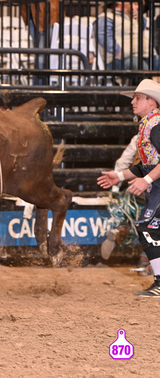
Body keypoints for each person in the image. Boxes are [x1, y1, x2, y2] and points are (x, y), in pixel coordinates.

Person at [97, 78, 160, 296]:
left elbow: (150, 169)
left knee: (148, 227)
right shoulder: (149, 125)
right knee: (148, 227)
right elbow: (147, 165)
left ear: (151, 102)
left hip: (158, 186)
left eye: (137, 98)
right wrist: (119, 176)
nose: (132, 102)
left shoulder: (156, 125)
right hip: (157, 187)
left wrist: (147, 180)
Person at [95, 1, 149, 71]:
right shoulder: (106, 17)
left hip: (139, 55)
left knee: (155, 62)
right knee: (139, 65)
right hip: (117, 59)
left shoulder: (128, 17)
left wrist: (139, 18)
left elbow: (141, 30)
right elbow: (103, 37)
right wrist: (118, 51)